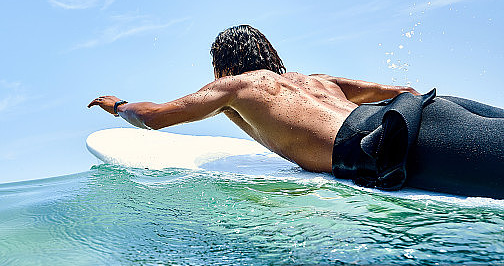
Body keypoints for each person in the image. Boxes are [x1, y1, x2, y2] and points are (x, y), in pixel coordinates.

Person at [88, 24, 504, 199]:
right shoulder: (316, 79)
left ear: (223, 66)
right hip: (427, 111)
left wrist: (119, 105)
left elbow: (155, 116)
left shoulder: (236, 85)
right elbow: (401, 89)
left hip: (385, 143)